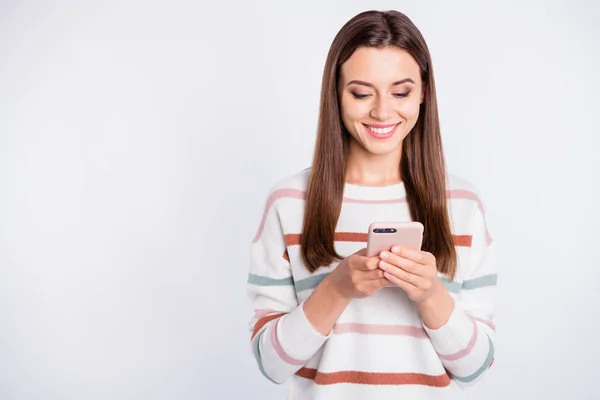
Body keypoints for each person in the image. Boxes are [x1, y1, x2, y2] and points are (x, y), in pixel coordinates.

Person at [246, 9, 497, 399]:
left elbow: (475, 366)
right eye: (362, 93)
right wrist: (337, 288)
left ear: (424, 92)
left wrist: (430, 294)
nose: (382, 111)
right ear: (336, 92)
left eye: (401, 92)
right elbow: (272, 365)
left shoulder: (462, 206)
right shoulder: (290, 203)